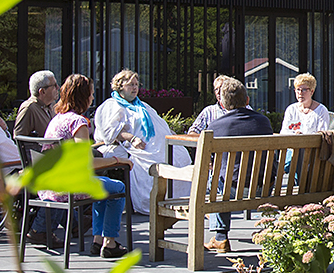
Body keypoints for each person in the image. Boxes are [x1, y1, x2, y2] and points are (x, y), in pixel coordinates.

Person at [41, 74, 130, 258]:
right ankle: (110, 242)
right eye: (90, 94)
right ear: (83, 97)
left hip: (48, 184)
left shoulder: (57, 119)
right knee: (118, 187)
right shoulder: (78, 122)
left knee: (103, 186)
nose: (92, 98)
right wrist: (116, 161)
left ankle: (98, 241)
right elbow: (87, 162)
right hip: (67, 187)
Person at [201, 77, 275, 254]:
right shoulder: (264, 122)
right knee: (222, 176)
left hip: (232, 190)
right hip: (264, 188)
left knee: (216, 177)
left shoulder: (216, 126)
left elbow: (210, 161)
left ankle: (220, 237)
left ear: (223, 104)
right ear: (247, 100)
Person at [93, 69, 180, 216]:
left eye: (136, 84)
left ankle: (176, 200)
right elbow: (111, 132)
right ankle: (153, 201)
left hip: (156, 142)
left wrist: (172, 134)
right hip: (131, 145)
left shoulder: (142, 105)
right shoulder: (112, 105)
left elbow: (159, 123)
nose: (134, 88)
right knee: (152, 161)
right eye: (130, 85)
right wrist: (131, 138)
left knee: (179, 155)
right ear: (120, 86)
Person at [14, 70, 59, 138]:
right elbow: (19, 139)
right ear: (42, 91)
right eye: (54, 85)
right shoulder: (29, 108)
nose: (58, 87)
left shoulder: (52, 104)